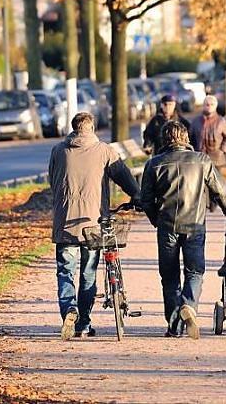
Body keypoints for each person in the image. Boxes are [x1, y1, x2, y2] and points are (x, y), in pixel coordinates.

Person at [48, 112, 141, 340]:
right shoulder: (104, 151)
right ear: (92, 128)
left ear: (73, 128)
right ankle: (84, 325)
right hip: (93, 224)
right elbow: (124, 177)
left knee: (65, 271)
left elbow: (52, 180)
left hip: (64, 223)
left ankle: (70, 310)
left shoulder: (59, 150)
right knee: (88, 274)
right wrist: (138, 197)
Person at [140, 120, 226, 338]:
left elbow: (145, 199)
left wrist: (157, 219)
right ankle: (189, 305)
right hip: (195, 224)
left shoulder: (154, 164)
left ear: (165, 139)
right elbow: (219, 190)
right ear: (186, 138)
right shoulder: (201, 160)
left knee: (169, 276)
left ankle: (174, 326)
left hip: (167, 225)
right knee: (195, 271)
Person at [189, 94, 226, 172]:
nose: (209, 106)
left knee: (216, 183)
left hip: (217, 160)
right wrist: (194, 151)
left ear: (215, 106)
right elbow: (190, 137)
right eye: (207, 104)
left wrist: (222, 150)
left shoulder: (221, 121)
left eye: (212, 104)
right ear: (203, 106)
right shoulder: (196, 121)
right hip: (200, 159)